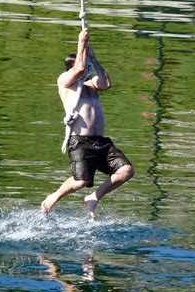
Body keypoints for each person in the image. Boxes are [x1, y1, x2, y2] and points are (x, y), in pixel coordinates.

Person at [40, 28, 134, 220]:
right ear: (70, 67)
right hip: (80, 141)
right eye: (85, 63)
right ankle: (54, 196)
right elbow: (79, 69)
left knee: (126, 171)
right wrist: (81, 42)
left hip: (101, 141)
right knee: (80, 181)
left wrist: (94, 56)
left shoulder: (91, 85)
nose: (87, 69)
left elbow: (106, 83)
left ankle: (93, 197)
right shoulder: (65, 81)